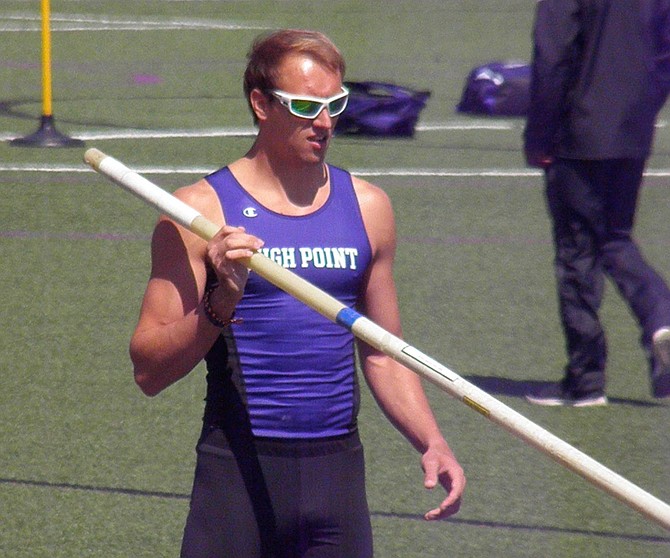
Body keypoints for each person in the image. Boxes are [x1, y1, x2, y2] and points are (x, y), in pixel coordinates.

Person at [129, 29, 465, 557]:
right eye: (307, 105)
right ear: (261, 104)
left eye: (336, 103)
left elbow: (384, 353)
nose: (326, 122)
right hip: (236, 476)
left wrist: (432, 440)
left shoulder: (368, 208)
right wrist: (223, 303)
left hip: (337, 479)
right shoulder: (199, 212)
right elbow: (149, 369)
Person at [524, 0, 670, 406]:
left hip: (579, 133)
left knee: (577, 254)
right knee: (614, 239)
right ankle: (661, 316)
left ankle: (586, 380)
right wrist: (643, 106)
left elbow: (552, 55)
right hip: (632, 129)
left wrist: (539, 136)